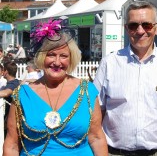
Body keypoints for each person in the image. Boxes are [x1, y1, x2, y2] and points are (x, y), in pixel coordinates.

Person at [93, 0, 157, 156]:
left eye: (146, 25)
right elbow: (96, 114)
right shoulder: (109, 63)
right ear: (126, 29)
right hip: (115, 152)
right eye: (134, 25)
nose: (140, 31)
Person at [3, 19, 108, 156]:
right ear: (41, 57)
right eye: (51, 54)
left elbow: (96, 138)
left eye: (63, 56)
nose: (57, 62)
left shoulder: (86, 91)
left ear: (71, 59)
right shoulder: (22, 95)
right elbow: (11, 145)